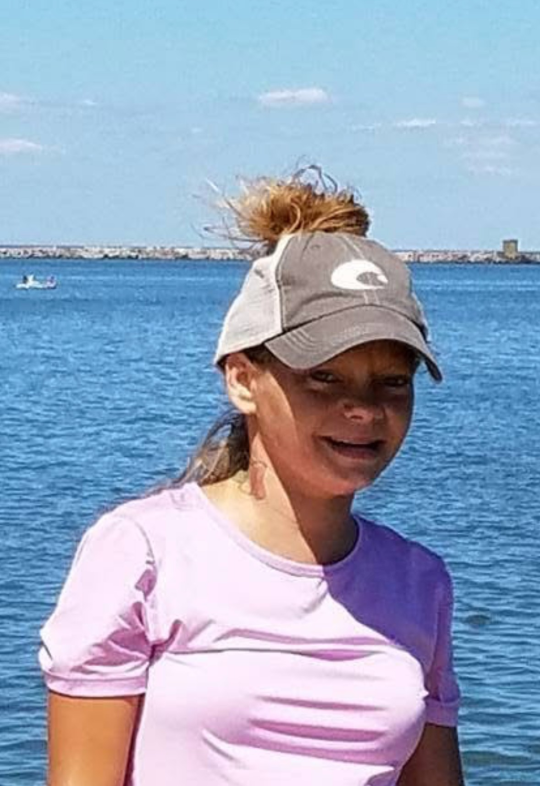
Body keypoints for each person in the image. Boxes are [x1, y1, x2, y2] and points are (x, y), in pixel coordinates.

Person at [40, 170, 464, 786]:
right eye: (324, 377)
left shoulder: (419, 582)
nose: (365, 410)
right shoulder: (144, 551)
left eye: (393, 382)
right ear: (242, 379)